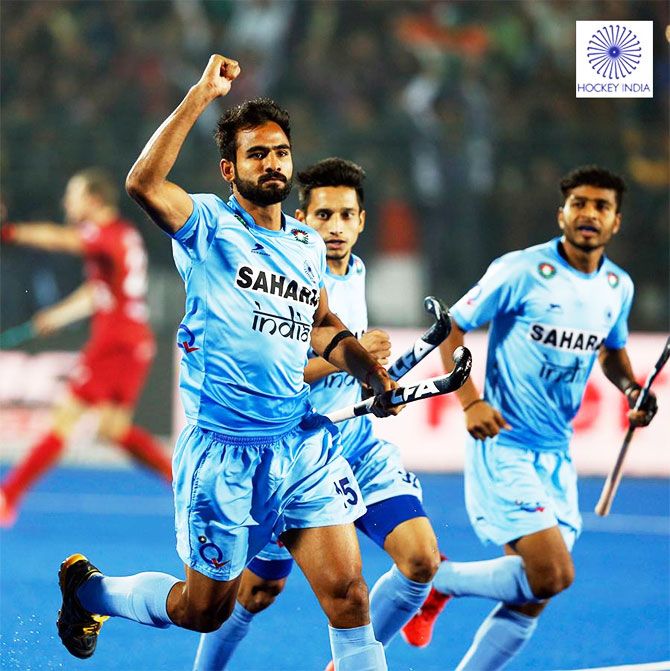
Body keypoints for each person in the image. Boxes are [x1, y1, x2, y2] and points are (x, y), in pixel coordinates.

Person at [55, 55, 400, 671]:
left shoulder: (306, 244)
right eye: (257, 154)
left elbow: (324, 327)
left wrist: (369, 371)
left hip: (299, 446)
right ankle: (90, 591)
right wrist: (199, 96)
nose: (272, 163)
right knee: (203, 610)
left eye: (281, 152)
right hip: (223, 454)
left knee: (350, 598)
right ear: (230, 168)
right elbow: (142, 184)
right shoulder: (209, 225)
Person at [401, 165, 659, 670]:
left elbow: (612, 352)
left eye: (601, 206)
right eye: (579, 203)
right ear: (561, 212)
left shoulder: (617, 287)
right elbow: (450, 326)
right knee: (552, 574)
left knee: (533, 594)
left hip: (556, 452)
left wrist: (632, 388)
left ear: (616, 222)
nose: (589, 214)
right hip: (504, 444)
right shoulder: (521, 269)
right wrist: (470, 401)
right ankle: (438, 581)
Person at [192, 157, 443, 671]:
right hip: (300, 446)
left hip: (358, 442)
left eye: (346, 215)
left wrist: (375, 371)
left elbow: (355, 361)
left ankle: (348, 663)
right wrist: (347, 358)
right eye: (323, 215)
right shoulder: (281, 275)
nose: (335, 227)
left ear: (361, 221)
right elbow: (277, 372)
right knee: (257, 592)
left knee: (421, 561)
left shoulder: (357, 268)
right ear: (303, 218)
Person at [0, 168, 172, 527]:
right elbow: (101, 293)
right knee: (113, 429)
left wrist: (9, 232)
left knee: (64, 417)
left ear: (93, 200)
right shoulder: (124, 236)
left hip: (114, 341)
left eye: (73, 195)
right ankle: (184, 484)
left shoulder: (103, 234)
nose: (67, 202)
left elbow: (60, 240)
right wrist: (58, 316)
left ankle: (8, 496)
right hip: (134, 339)